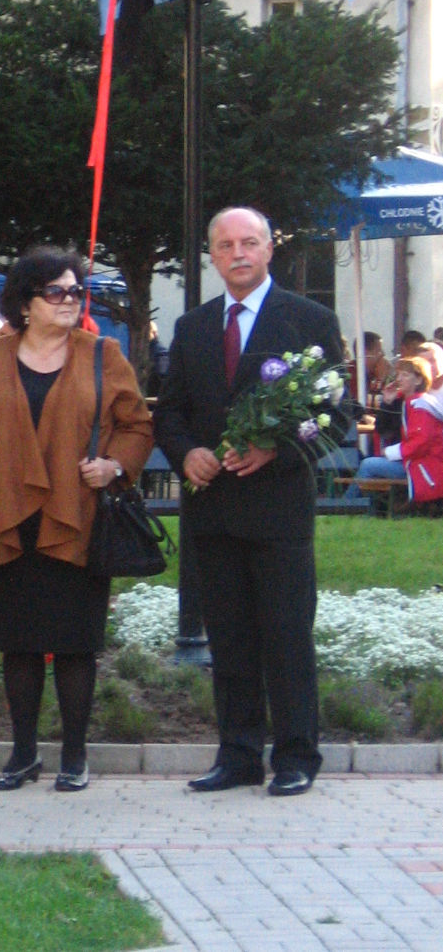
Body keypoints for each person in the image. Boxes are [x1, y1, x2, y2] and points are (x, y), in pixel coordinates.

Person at [155, 206, 347, 798]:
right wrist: (187, 453)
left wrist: (276, 450)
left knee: (286, 637)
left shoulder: (310, 320)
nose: (238, 253)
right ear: (212, 255)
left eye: (249, 242)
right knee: (230, 639)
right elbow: (170, 411)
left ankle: (295, 756)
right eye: (225, 244)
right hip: (212, 512)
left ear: (269, 249)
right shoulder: (193, 327)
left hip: (278, 513)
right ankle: (238, 755)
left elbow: (334, 417)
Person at [0, 246, 152, 792]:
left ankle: (75, 756)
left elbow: (137, 425)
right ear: (25, 302)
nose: (69, 300)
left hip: (76, 516)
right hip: (4, 516)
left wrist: (113, 466)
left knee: (76, 643)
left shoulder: (103, 354)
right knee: (19, 643)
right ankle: (22, 754)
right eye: (55, 291)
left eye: (75, 291)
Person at [354, 356, 443, 514]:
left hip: (421, 464)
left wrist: (390, 452)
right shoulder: (403, 401)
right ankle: (360, 509)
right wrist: (387, 402)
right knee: (369, 464)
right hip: (411, 460)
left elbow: (421, 442)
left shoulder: (421, 405)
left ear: (418, 380)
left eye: (405, 375)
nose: (399, 379)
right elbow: (381, 429)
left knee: (368, 465)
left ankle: (348, 507)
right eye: (399, 374)